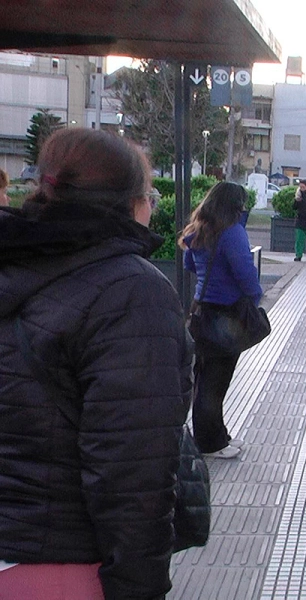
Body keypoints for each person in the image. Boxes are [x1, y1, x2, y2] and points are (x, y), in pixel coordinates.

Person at [0, 128, 193, 599]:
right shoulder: (131, 292)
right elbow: (133, 477)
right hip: (63, 568)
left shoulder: (13, 260)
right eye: (150, 196)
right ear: (130, 203)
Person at [181, 182, 263, 460]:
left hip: (202, 310)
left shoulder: (198, 229)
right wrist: (255, 296)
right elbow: (245, 272)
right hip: (226, 313)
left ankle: (217, 435)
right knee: (215, 381)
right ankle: (210, 443)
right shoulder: (232, 232)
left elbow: (188, 264)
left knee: (205, 377)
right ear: (235, 205)